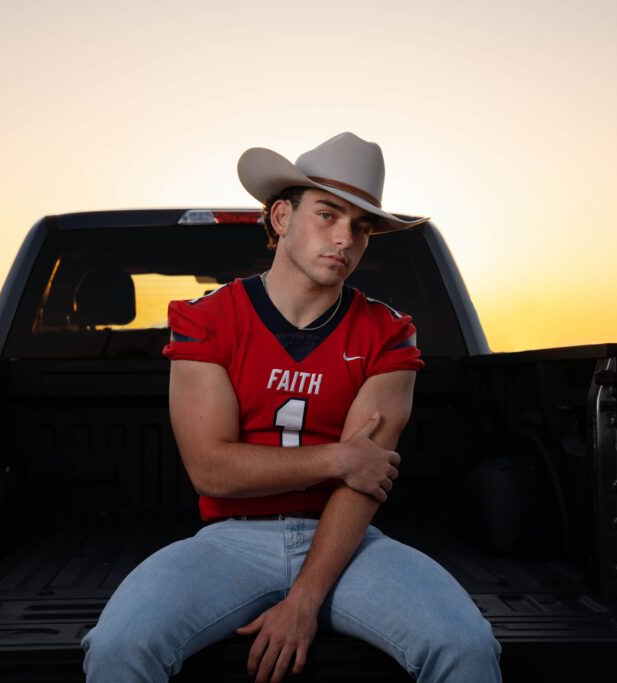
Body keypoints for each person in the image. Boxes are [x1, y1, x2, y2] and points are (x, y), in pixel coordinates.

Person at [81, 132, 502, 683]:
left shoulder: (389, 333)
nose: (344, 238)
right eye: (327, 215)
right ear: (281, 216)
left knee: (465, 646)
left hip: (347, 544)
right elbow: (212, 469)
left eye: (361, 227)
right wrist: (339, 458)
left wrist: (304, 601)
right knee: (120, 646)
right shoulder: (207, 320)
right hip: (231, 541)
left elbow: (364, 480)